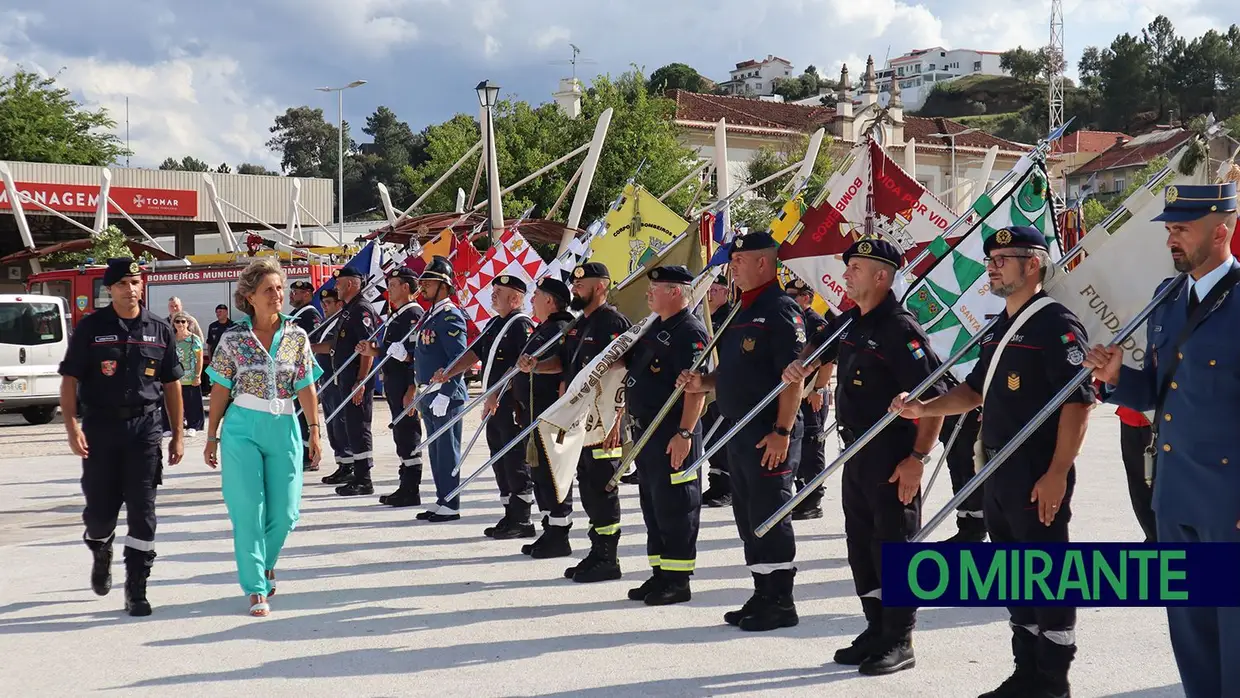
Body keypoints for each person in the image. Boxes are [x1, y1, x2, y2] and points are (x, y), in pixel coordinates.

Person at [891, 225, 1094, 698]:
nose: (994, 265)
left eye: (1007, 257)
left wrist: (1058, 473)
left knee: (1046, 574)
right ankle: (1025, 673)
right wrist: (924, 407)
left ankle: (1052, 681)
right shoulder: (1000, 326)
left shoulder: (1056, 324)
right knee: (1013, 573)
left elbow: (1078, 402)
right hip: (997, 469)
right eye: (992, 258)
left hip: (1036, 472)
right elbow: (973, 391)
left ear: (1034, 264)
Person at [1083, 182, 1240, 698]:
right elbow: (1158, 388)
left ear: (1223, 230)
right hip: (1175, 496)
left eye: (1182, 229)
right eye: (1169, 229)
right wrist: (1115, 378)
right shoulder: (1166, 298)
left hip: (1229, 501)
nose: (1172, 239)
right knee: (1191, 632)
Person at [784, 239, 947, 675]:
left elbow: (935, 398)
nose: (847, 274)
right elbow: (816, 347)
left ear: (882, 276)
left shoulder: (900, 328)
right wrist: (800, 364)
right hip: (856, 452)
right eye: (849, 266)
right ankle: (876, 626)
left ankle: (900, 637)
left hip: (893, 456)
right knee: (862, 546)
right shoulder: (850, 322)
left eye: (856, 267)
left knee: (895, 547)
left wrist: (917, 458)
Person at [676, 232, 806, 631]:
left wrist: (782, 431)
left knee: (769, 513)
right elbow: (735, 372)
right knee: (748, 515)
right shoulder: (740, 311)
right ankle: (762, 591)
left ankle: (780, 600)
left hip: (768, 430)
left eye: (739, 259)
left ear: (763, 263)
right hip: (739, 430)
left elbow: (794, 378)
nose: (732, 266)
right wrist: (704, 383)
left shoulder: (781, 311)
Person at [57, 257, 185, 617]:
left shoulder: (159, 329)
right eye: (123, 284)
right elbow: (70, 379)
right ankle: (100, 548)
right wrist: (72, 427)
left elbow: (172, 383)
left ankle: (136, 589)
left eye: (136, 282)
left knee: (144, 512)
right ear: (109, 290)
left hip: (144, 430)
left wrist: (177, 435)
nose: (131, 289)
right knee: (100, 514)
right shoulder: (92, 329)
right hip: (101, 429)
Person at [204, 258, 323, 617]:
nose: (278, 295)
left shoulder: (297, 336)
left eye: (280, 288)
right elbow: (220, 389)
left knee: (286, 512)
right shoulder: (233, 338)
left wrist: (314, 430)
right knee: (247, 510)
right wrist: (212, 436)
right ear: (250, 297)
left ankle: (266, 562)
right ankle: (256, 586)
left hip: (284, 425)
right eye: (268, 290)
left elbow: (306, 386)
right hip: (241, 427)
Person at [518, 262, 631, 583]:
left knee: (602, 489)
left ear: (601, 287)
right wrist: (536, 365)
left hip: (605, 422)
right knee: (588, 486)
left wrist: (617, 423)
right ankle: (596, 552)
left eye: (583, 285)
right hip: (582, 422)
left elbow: (622, 374)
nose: (576, 289)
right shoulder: (579, 325)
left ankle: (608, 557)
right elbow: (564, 365)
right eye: (575, 284)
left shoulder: (613, 322)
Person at [621, 265, 708, 606]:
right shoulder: (653, 327)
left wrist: (685, 432)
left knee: (677, 506)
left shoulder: (690, 331)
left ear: (675, 292)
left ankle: (678, 579)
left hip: (673, 431)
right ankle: (660, 573)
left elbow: (695, 389)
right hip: (647, 433)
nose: (648, 293)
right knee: (653, 505)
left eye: (655, 288)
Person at [432, 274, 535, 537]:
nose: (493, 295)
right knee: (498, 458)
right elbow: (474, 353)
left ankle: (522, 518)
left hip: (511, 403)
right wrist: (450, 371)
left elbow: (518, 367)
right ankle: (508, 514)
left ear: (515, 298)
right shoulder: (494, 324)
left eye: (499, 291)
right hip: (494, 404)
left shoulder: (520, 326)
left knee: (514, 460)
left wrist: (496, 393)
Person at [515, 276, 577, 558]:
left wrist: (536, 366)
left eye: (536, 295)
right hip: (535, 412)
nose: (532, 301)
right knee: (540, 474)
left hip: (551, 415)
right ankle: (549, 527)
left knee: (553, 474)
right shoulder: (545, 328)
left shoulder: (561, 329)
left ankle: (559, 532)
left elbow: (562, 364)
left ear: (550, 301)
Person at [358, 267, 425, 506]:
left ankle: (411, 488)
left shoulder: (413, 315)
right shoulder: (398, 315)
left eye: (394, 284)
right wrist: (372, 351)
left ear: (406, 287)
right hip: (394, 384)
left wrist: (412, 389)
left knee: (409, 434)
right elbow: (392, 351)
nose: (390, 289)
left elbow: (416, 356)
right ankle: (405, 484)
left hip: (405, 385)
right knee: (401, 434)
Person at [413, 256, 469, 522]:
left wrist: (446, 394)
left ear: (444, 286)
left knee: (447, 450)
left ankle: (451, 502)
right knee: (436, 451)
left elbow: (458, 360)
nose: (423, 287)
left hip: (446, 395)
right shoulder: (431, 315)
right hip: (430, 393)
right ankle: (442, 498)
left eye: (429, 283)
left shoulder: (450, 316)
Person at [325, 267, 379, 496]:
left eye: (339, 283)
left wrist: (361, 380)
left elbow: (367, 347)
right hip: (345, 380)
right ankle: (357, 476)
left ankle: (364, 479)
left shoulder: (361, 310)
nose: (336, 287)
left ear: (350, 284)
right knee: (351, 428)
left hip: (356, 380)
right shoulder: (349, 310)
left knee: (359, 428)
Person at [784, 277, 833, 520]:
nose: (789, 298)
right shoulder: (793, 318)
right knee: (799, 445)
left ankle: (812, 499)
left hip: (811, 393)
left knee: (812, 445)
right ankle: (801, 494)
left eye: (794, 295)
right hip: (796, 392)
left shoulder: (817, 323)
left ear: (806, 297)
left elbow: (827, 360)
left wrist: (819, 389)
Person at [701, 274, 735, 507]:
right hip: (704, 384)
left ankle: (730, 487)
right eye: (708, 288)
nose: (711, 292)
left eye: (716, 288)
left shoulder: (731, 316)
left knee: (723, 435)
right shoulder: (701, 315)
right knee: (708, 437)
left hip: (723, 383)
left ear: (726, 292)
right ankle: (716, 484)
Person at [312, 289, 353, 481]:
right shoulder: (327, 323)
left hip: (338, 379)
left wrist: (308, 347)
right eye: (323, 303)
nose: (324, 307)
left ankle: (349, 463)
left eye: (329, 303)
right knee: (331, 423)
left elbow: (332, 346)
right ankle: (341, 462)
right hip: (326, 379)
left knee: (341, 423)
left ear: (339, 304)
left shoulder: (342, 322)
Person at [289, 280, 324, 472]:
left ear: (308, 294)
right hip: (291, 373)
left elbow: (312, 342)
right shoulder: (295, 315)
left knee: (304, 414)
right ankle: (301, 451)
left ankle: (309, 454)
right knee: (296, 413)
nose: (292, 295)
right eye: (293, 291)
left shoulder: (310, 315)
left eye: (297, 292)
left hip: (303, 372)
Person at [939, 406, 987, 542]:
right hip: (949, 407)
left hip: (972, 406)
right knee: (956, 468)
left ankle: (978, 529)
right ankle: (965, 525)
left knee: (971, 469)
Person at [162, 311, 205, 436]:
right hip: (174, 376)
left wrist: (197, 376)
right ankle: (169, 427)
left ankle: (193, 426)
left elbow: (199, 358)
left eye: (183, 321)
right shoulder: (170, 338)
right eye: (177, 321)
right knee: (171, 402)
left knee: (192, 402)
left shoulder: (193, 339)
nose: (180, 324)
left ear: (188, 323)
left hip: (190, 376)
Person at [204, 304, 236, 392]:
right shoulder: (212, 326)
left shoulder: (233, 326)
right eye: (217, 312)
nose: (218, 314)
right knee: (216, 381)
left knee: (229, 381)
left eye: (220, 312)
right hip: (216, 359)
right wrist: (210, 360)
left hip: (230, 360)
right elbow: (209, 344)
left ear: (226, 312)